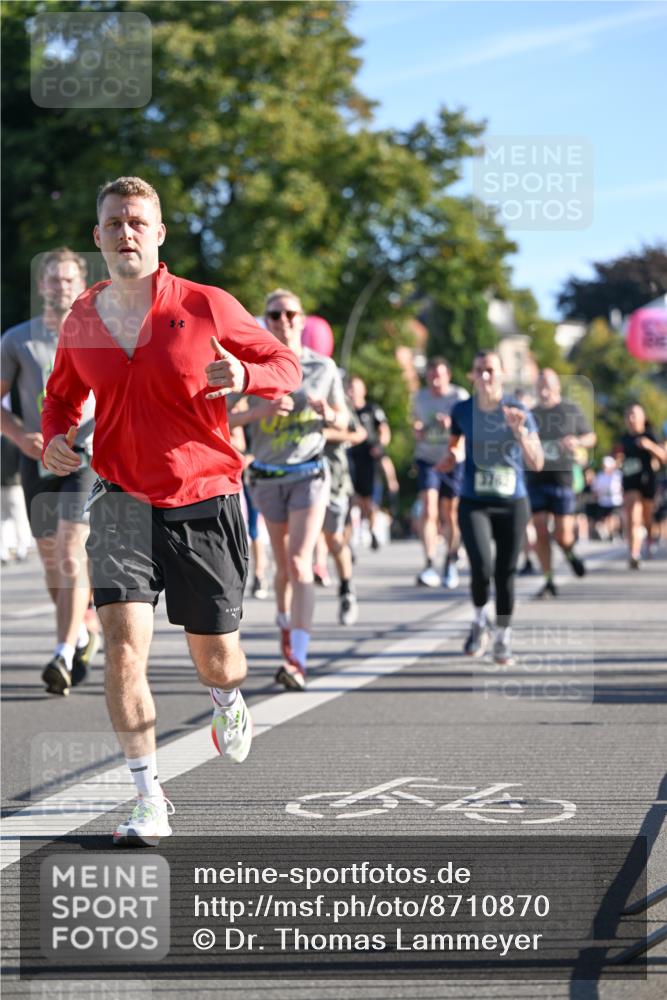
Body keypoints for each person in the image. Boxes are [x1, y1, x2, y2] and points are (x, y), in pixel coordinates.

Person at [41, 176, 300, 846]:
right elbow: (62, 395)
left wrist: (248, 376)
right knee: (123, 649)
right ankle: (146, 793)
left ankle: (225, 699)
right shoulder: (83, 319)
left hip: (204, 497)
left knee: (218, 658)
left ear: (158, 236)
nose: (125, 232)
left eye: (137, 221)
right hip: (121, 499)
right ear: (98, 237)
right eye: (113, 223)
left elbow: (283, 362)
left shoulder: (205, 305)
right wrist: (56, 439)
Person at [231, 288, 347, 691]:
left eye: (290, 314)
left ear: (303, 319)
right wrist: (262, 410)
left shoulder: (323, 367)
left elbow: (344, 423)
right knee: (282, 567)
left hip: (310, 473)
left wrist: (327, 412)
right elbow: (225, 419)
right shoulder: (253, 365)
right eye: (274, 315)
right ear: (265, 321)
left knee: (299, 563)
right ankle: (285, 626)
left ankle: (297, 659)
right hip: (266, 476)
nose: (283, 321)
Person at [1, 247, 100, 692]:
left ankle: (61, 653)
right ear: (41, 285)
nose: (61, 286)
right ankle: (79, 631)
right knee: (49, 560)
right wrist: (22, 437)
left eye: (68, 280)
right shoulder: (17, 339)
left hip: (84, 456)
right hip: (37, 456)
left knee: (69, 549)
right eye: (53, 279)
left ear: (81, 286)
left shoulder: (102, 337)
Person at [437, 350, 544, 665]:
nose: (484, 377)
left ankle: (503, 637)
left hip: (513, 503)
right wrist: (450, 458)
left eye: (490, 371)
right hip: (474, 502)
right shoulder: (462, 410)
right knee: (481, 567)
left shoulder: (519, 409)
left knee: (505, 573)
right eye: (479, 371)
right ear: (471, 374)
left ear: (503, 373)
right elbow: (455, 445)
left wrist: (520, 433)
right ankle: (478, 620)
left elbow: (537, 462)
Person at [526, 369, 596, 599]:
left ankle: (570, 553)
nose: (543, 389)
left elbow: (590, 436)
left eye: (547, 384)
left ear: (557, 387)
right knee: (540, 532)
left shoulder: (570, 410)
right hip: (536, 479)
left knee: (563, 536)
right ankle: (548, 581)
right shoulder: (531, 413)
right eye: (540, 385)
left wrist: (577, 440)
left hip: (562, 479)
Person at [411, 356, 468, 588]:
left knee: (451, 513)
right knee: (429, 509)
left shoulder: (459, 397)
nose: (435, 381)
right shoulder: (419, 398)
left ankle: (450, 561)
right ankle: (428, 563)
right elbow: (415, 425)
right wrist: (418, 429)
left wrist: (452, 425)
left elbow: (468, 429)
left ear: (448, 376)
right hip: (428, 459)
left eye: (439, 376)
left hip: (453, 459)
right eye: (431, 376)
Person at [321, 391, 367, 625]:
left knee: (334, 539)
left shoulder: (338, 399)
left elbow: (359, 433)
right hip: (295, 476)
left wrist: (326, 432)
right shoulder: (284, 385)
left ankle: (347, 589)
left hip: (333, 476)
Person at [618, 404, 667, 568]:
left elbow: (663, 458)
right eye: (628, 415)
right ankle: (634, 553)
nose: (631, 419)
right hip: (630, 483)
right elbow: (618, 458)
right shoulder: (624, 438)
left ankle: (650, 538)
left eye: (634, 415)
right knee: (633, 516)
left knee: (646, 519)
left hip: (647, 482)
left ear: (642, 418)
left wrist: (649, 446)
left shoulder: (649, 435)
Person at [347, 375, 390, 551]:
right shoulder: (344, 410)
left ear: (363, 391)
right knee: (351, 499)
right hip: (349, 458)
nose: (353, 392)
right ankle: (349, 540)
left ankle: (371, 528)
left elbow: (384, 430)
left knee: (369, 501)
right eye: (350, 388)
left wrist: (380, 446)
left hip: (368, 459)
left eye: (356, 388)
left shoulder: (372, 409)